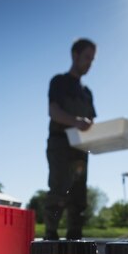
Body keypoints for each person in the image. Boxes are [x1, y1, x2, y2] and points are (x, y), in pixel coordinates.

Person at [43, 38, 97, 240]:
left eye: (92, 59)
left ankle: (75, 239)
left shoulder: (87, 93)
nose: (89, 63)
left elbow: (91, 121)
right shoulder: (59, 82)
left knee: (78, 197)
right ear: (75, 55)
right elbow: (54, 112)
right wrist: (76, 121)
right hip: (60, 145)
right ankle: (51, 236)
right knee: (59, 191)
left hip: (81, 149)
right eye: (86, 58)